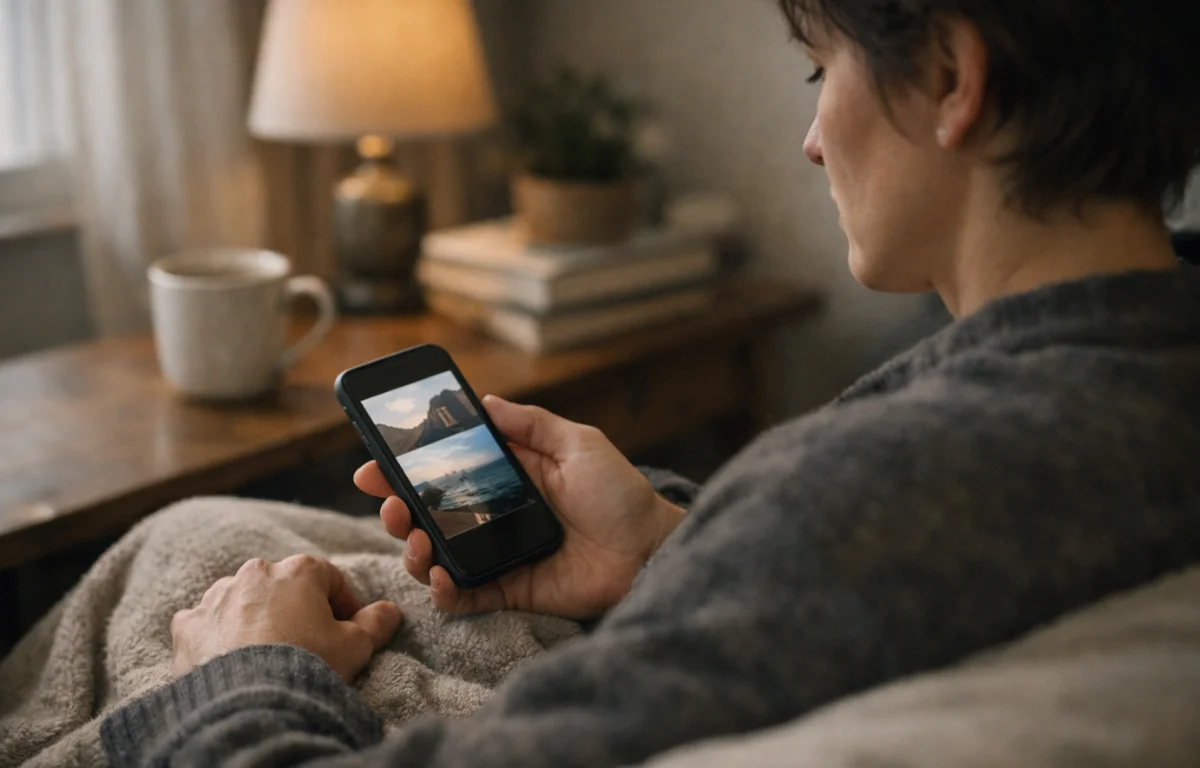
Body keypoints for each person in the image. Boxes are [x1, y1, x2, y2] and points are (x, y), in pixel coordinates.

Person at [101, 0, 1200, 765]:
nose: (814, 139)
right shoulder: (1140, 378)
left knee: (185, 548)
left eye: (825, 71)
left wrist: (250, 673)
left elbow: (860, 539)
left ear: (953, 76)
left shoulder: (893, 486)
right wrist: (669, 549)